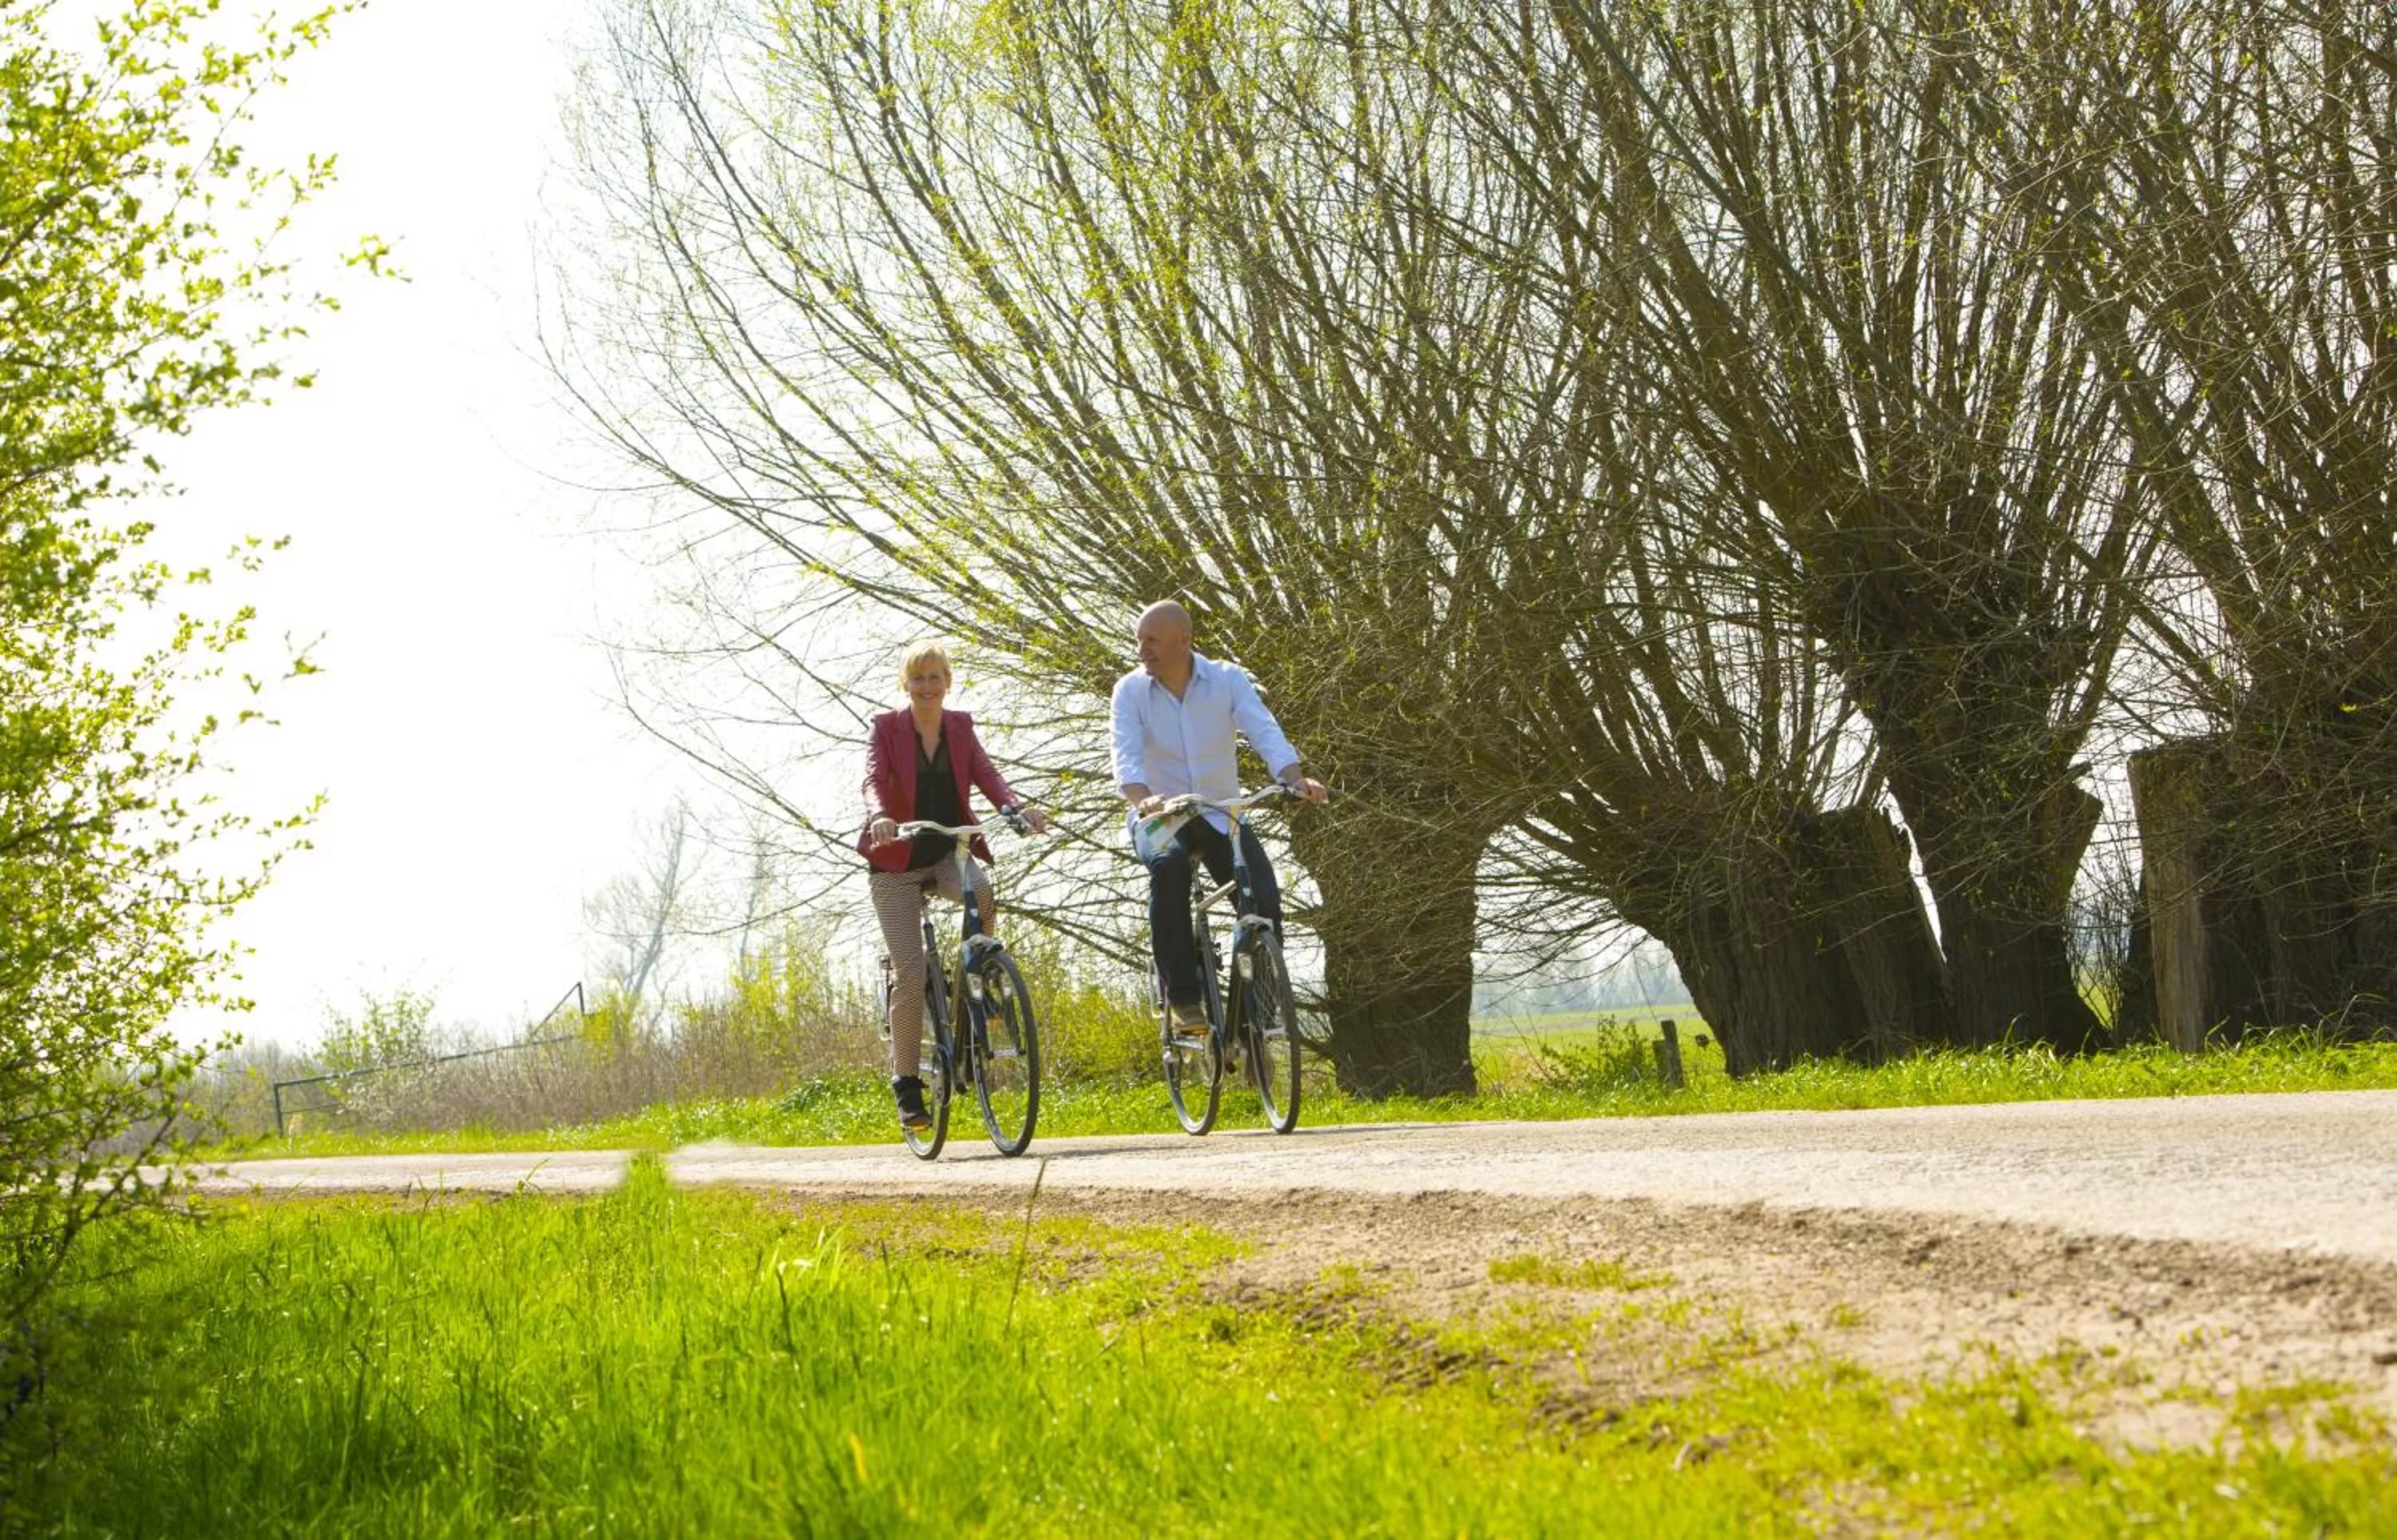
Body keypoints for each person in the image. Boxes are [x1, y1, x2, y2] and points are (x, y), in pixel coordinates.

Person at [1111, 601, 1327, 1034]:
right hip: (1161, 816)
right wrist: (1143, 800)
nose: (1142, 650)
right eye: (1138, 641)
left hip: (1219, 813)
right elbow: (1125, 757)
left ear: (1183, 640)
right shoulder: (1130, 691)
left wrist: (1294, 779)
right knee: (1169, 868)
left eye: (1150, 641)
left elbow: (1264, 731)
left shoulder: (1226, 680)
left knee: (1262, 898)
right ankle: (1186, 1002)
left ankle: (1256, 1019)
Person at [859, 641, 1049, 1129]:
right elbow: (874, 778)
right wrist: (880, 814)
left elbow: (987, 774)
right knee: (910, 971)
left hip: (947, 850)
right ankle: (906, 1084)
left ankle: (976, 979)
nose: (927, 687)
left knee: (981, 894)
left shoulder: (960, 727)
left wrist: (1014, 808)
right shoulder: (886, 727)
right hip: (897, 860)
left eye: (935, 677)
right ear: (906, 684)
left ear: (948, 681)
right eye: (918, 679)